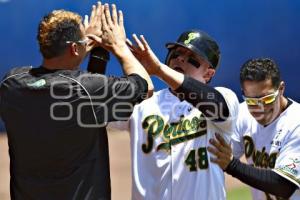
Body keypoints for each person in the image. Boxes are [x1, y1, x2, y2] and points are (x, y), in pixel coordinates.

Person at [0, 2, 153, 200]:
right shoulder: (84, 90)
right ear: (73, 49)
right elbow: (145, 86)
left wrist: (88, 45)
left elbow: (78, 92)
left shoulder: (11, 84)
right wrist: (119, 46)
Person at [123, 30, 239, 199]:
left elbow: (217, 106)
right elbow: (94, 111)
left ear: (208, 73)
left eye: (193, 57)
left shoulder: (225, 98)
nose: (181, 59)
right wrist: (105, 52)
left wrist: (159, 70)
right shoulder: (143, 103)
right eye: (176, 53)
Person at [208, 58, 300, 199]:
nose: (259, 108)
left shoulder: (296, 122)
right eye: (251, 101)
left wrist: (232, 165)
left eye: (266, 99)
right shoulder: (243, 113)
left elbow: (283, 186)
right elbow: (216, 157)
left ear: (281, 89)